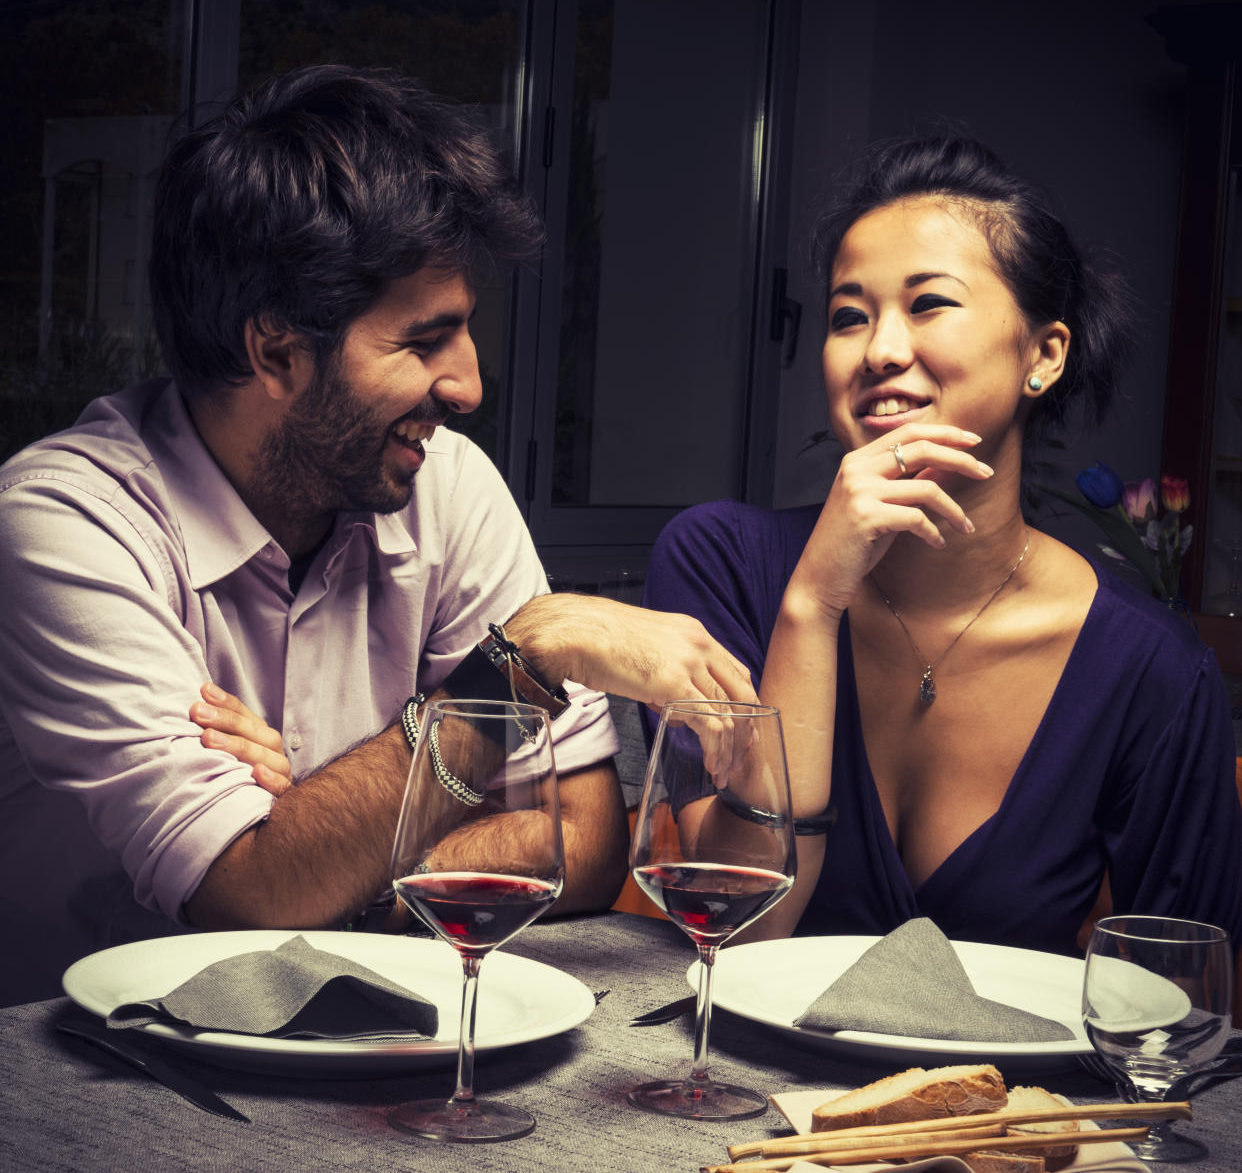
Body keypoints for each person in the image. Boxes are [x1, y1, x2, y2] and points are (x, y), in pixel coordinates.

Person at [0, 65, 754, 1005]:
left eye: (466, 331)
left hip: (353, 1050)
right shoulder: (64, 526)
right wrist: (512, 663)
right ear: (275, 350)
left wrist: (330, 859)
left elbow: (584, 838)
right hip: (86, 1076)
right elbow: (253, 896)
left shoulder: (448, 484)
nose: (469, 386)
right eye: (423, 341)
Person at [644, 134, 1242, 962]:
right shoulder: (722, 564)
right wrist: (811, 606)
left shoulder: (1154, 672)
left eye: (928, 304)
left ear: (1044, 354)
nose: (881, 350)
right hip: (737, 1085)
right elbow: (736, 927)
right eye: (849, 316)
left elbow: (1177, 1016)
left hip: (1017, 1095)